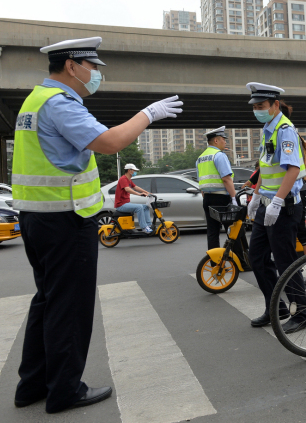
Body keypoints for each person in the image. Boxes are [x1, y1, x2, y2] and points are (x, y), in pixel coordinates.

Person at [12, 37, 182, 413]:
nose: (97, 75)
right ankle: (65, 391)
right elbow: (108, 142)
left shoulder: (35, 99)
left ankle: (33, 386)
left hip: (37, 218)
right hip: (66, 220)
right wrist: (148, 114)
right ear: (72, 66)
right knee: (69, 307)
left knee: (46, 301)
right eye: (94, 67)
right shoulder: (59, 103)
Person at [245, 82, 306, 334]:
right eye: (254, 107)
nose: (257, 110)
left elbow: (293, 169)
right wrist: (256, 196)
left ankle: (302, 312)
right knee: (257, 258)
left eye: (261, 106)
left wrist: (276, 201)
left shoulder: (285, 130)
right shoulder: (267, 128)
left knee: (285, 262)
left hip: (283, 207)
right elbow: (265, 165)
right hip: (266, 204)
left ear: (275, 105)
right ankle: (277, 307)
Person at [197, 126, 246, 260]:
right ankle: (240, 261)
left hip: (207, 198)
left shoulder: (201, 158)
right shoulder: (219, 155)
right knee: (232, 229)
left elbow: (201, 181)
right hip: (222, 199)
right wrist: (233, 197)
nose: (225, 142)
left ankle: (215, 261)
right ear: (216, 141)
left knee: (212, 232)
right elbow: (226, 178)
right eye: (223, 139)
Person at [114, 164, 152, 233]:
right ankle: (144, 227)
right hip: (121, 205)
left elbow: (136, 187)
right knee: (139, 207)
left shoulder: (129, 180)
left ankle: (149, 225)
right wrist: (139, 194)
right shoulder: (123, 179)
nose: (135, 172)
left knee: (146, 207)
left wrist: (147, 192)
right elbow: (127, 189)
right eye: (134, 170)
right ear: (129, 171)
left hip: (126, 203)